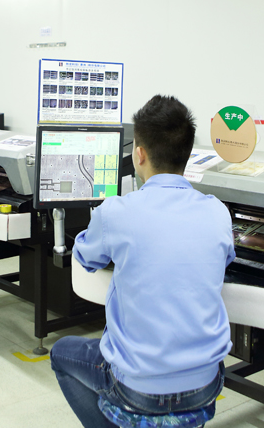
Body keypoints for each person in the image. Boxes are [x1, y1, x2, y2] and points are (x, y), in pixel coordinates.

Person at [50, 95, 235, 428]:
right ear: (187, 154)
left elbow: (85, 258)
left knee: (61, 354)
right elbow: (224, 258)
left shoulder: (116, 212)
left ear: (139, 154)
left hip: (138, 387)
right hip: (206, 384)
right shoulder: (217, 211)